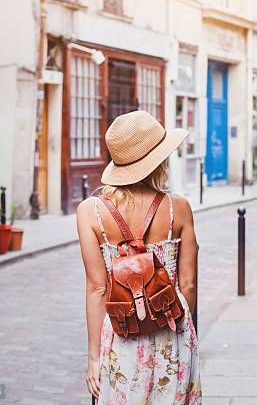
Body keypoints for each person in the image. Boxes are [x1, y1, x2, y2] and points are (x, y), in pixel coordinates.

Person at [76, 111, 201, 404]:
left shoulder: (89, 212)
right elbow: (189, 283)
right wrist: (175, 325)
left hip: (122, 334)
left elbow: (97, 288)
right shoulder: (178, 208)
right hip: (173, 330)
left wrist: (94, 357)